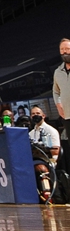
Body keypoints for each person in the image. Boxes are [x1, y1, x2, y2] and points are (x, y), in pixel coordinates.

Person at [54, 38, 70, 177]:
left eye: (67, 49)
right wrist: (58, 104)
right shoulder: (58, 71)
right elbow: (56, 91)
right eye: (62, 50)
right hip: (68, 116)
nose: (64, 52)